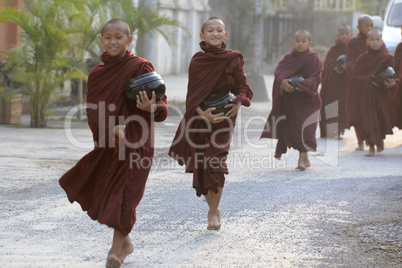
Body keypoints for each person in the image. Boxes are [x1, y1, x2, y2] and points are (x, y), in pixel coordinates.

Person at [59, 18, 168, 268]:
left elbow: (161, 103)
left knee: (126, 196)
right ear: (101, 40)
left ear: (129, 40)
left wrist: (152, 107)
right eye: (108, 37)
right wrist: (110, 130)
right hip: (110, 145)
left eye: (119, 37)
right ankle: (126, 243)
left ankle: (115, 251)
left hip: (136, 142)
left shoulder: (140, 67)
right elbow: (93, 111)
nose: (113, 41)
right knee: (108, 197)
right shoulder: (97, 74)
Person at [168, 17, 252, 230]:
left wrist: (240, 102)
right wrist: (201, 113)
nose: (215, 34)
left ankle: (214, 212)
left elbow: (243, 86)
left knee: (216, 161)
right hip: (201, 117)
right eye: (210, 30)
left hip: (225, 116)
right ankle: (212, 208)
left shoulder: (234, 58)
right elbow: (192, 94)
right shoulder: (198, 61)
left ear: (225, 35)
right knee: (203, 166)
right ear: (202, 36)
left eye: (219, 30)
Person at [260, 30, 322, 170]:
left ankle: (302, 158)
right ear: (293, 42)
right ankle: (303, 158)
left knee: (306, 130)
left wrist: (303, 85)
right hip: (292, 101)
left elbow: (316, 77)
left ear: (309, 43)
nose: (300, 43)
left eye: (304, 41)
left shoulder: (313, 59)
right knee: (294, 130)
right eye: (297, 41)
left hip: (308, 101)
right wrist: (282, 82)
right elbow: (279, 72)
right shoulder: (288, 57)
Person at [349, 29, 396, 157]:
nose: (375, 42)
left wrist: (385, 82)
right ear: (367, 42)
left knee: (379, 119)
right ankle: (371, 146)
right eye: (372, 40)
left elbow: (393, 74)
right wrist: (370, 80)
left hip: (380, 95)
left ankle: (378, 141)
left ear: (382, 41)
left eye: (378, 39)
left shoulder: (386, 58)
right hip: (365, 96)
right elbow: (356, 77)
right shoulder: (362, 58)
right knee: (368, 118)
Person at [345, 15, 388, 150]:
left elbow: (385, 61)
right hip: (358, 83)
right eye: (366, 26)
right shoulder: (353, 43)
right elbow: (350, 62)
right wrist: (362, 71)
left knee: (375, 112)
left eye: (371, 25)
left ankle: (377, 140)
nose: (370, 28)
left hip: (375, 86)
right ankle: (360, 141)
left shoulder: (378, 40)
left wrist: (378, 76)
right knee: (358, 111)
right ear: (358, 27)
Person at [319, 25, 353, 139]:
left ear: (351, 35)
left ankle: (339, 130)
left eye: (346, 33)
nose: (344, 36)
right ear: (338, 35)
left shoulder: (353, 49)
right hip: (334, 84)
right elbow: (327, 65)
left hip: (346, 84)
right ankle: (332, 131)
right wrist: (334, 68)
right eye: (341, 33)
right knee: (332, 106)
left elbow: (356, 64)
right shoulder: (334, 50)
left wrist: (347, 67)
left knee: (343, 107)